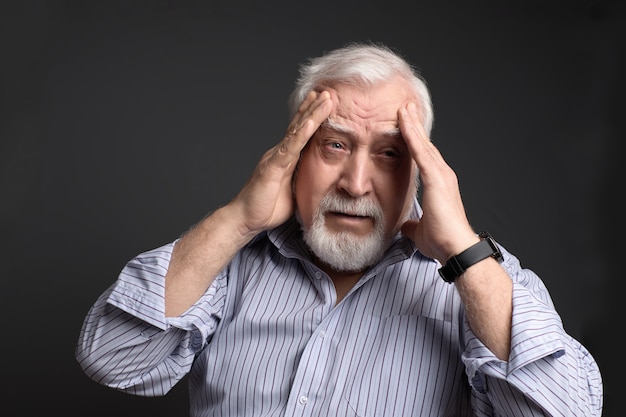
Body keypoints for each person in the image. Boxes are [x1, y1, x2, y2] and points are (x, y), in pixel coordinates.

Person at [76, 42, 603, 416]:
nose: (355, 183)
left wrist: (462, 251)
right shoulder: (230, 260)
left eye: (390, 153)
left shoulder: (482, 278)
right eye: (334, 144)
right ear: (294, 154)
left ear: (423, 168)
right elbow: (114, 360)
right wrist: (239, 218)